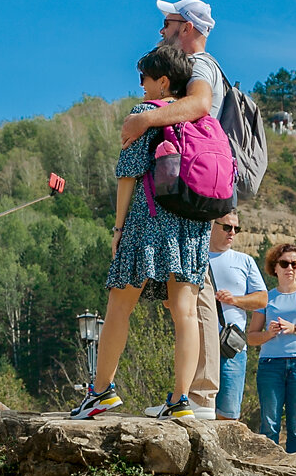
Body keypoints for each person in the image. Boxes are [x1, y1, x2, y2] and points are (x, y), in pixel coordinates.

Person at [72, 45, 209, 419]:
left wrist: (118, 228)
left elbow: (127, 175)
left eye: (144, 79)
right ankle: (181, 401)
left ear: (162, 81)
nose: (141, 86)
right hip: (193, 224)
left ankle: (101, 392)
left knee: (119, 305)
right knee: (185, 311)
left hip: (149, 221)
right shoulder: (198, 118)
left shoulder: (145, 115)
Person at [122, 0, 225, 420]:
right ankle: (191, 396)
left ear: (186, 27)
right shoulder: (202, 65)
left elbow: (199, 105)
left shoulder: (199, 66)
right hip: (200, 188)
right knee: (190, 296)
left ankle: (196, 398)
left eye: (167, 23)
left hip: (188, 190)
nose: (161, 30)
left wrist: (146, 119)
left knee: (192, 300)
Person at [246, 243, 296, 452]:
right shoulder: (265, 298)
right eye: (284, 263)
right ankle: (270, 470)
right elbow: (251, 337)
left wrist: (295, 328)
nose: (290, 268)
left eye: (295, 264)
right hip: (270, 366)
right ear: (275, 267)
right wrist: (269, 334)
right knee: (269, 426)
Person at [207, 211, 267, 421]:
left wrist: (235, 300)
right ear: (211, 225)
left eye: (236, 229)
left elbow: (262, 300)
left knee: (227, 414)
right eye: (226, 227)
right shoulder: (195, 257)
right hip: (199, 345)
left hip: (231, 347)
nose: (232, 232)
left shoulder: (244, 261)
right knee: (199, 411)